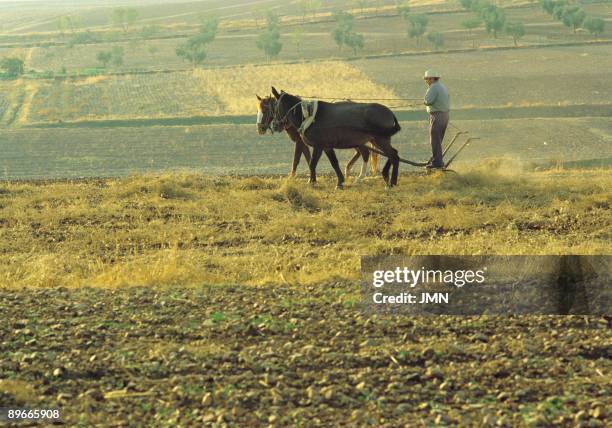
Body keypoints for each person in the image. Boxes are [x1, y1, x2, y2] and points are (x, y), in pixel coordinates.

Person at [423, 70, 450, 169]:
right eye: (427, 79)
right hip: (444, 115)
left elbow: (428, 101)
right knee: (438, 140)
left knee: (435, 140)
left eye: (429, 79)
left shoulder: (434, 87)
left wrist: (425, 101)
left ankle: (437, 163)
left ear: (434, 78)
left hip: (437, 116)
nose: (427, 81)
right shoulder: (442, 86)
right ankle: (436, 159)